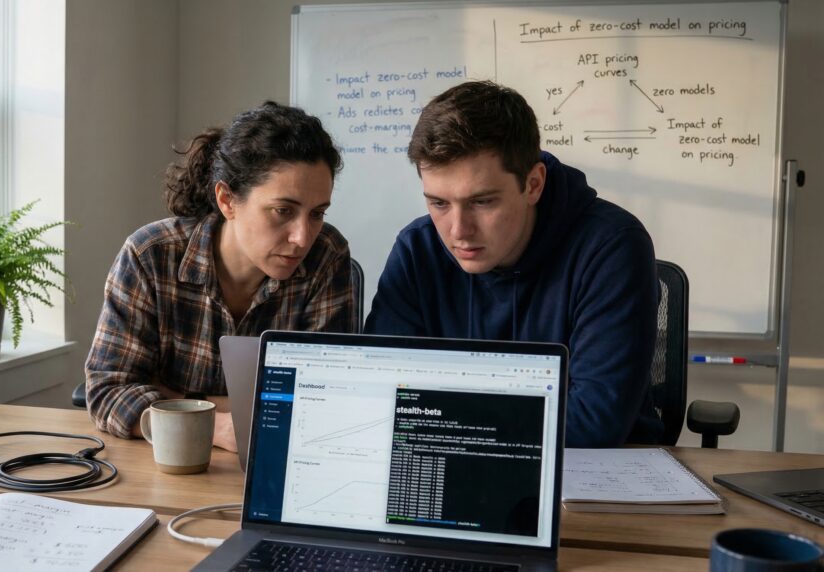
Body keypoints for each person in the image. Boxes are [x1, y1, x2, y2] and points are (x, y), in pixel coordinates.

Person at [364, 81, 663, 447]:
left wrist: (439, 416)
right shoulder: (417, 250)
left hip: (596, 476)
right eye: (439, 203)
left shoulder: (612, 246)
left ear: (533, 184)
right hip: (457, 467)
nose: (458, 231)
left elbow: (593, 422)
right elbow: (378, 398)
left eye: (482, 202)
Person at [86, 102, 357, 451]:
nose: (303, 237)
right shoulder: (151, 256)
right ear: (227, 200)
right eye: (283, 211)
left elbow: (326, 401)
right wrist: (216, 425)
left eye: (317, 213)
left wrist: (178, 399)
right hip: (167, 466)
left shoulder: (327, 256)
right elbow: (108, 391)